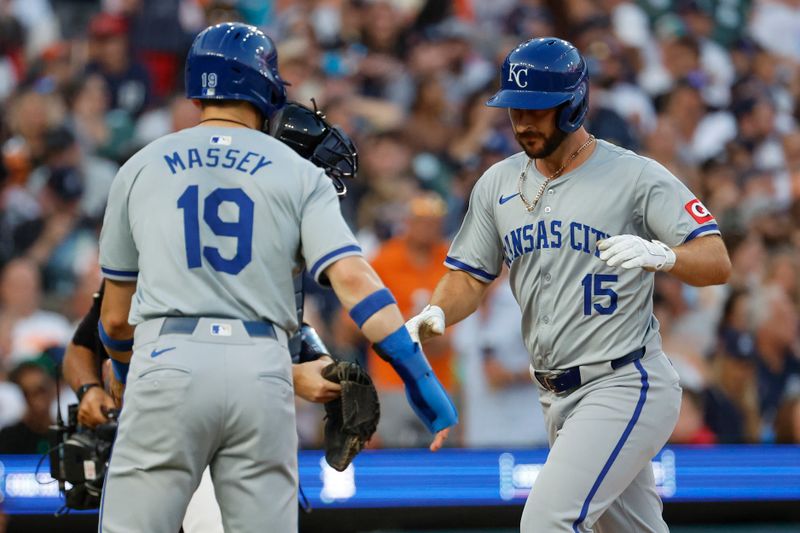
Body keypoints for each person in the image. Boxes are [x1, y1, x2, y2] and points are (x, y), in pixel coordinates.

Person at [96, 23, 456, 533]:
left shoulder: (139, 165)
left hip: (166, 357)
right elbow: (354, 280)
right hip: (262, 368)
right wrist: (417, 375)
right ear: (264, 87)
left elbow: (114, 319)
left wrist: (132, 377)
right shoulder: (296, 169)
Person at [405, 37, 731, 533]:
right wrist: (437, 313)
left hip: (625, 379)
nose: (522, 122)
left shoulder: (634, 175)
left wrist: (663, 254)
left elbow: (716, 259)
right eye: (515, 108)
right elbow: (469, 276)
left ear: (574, 104)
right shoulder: (497, 183)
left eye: (537, 109)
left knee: (545, 523)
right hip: (555, 393)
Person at [62, 99, 359, 532]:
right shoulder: (177, 242)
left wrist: (335, 382)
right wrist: (91, 390)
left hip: (229, 431)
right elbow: (88, 342)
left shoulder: (274, 253)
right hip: (174, 426)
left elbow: (285, 354)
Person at [0, 361, 56, 454]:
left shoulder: (65, 435)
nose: (36, 401)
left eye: (41, 391)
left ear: (52, 390)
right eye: (26, 393)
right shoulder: (8, 437)